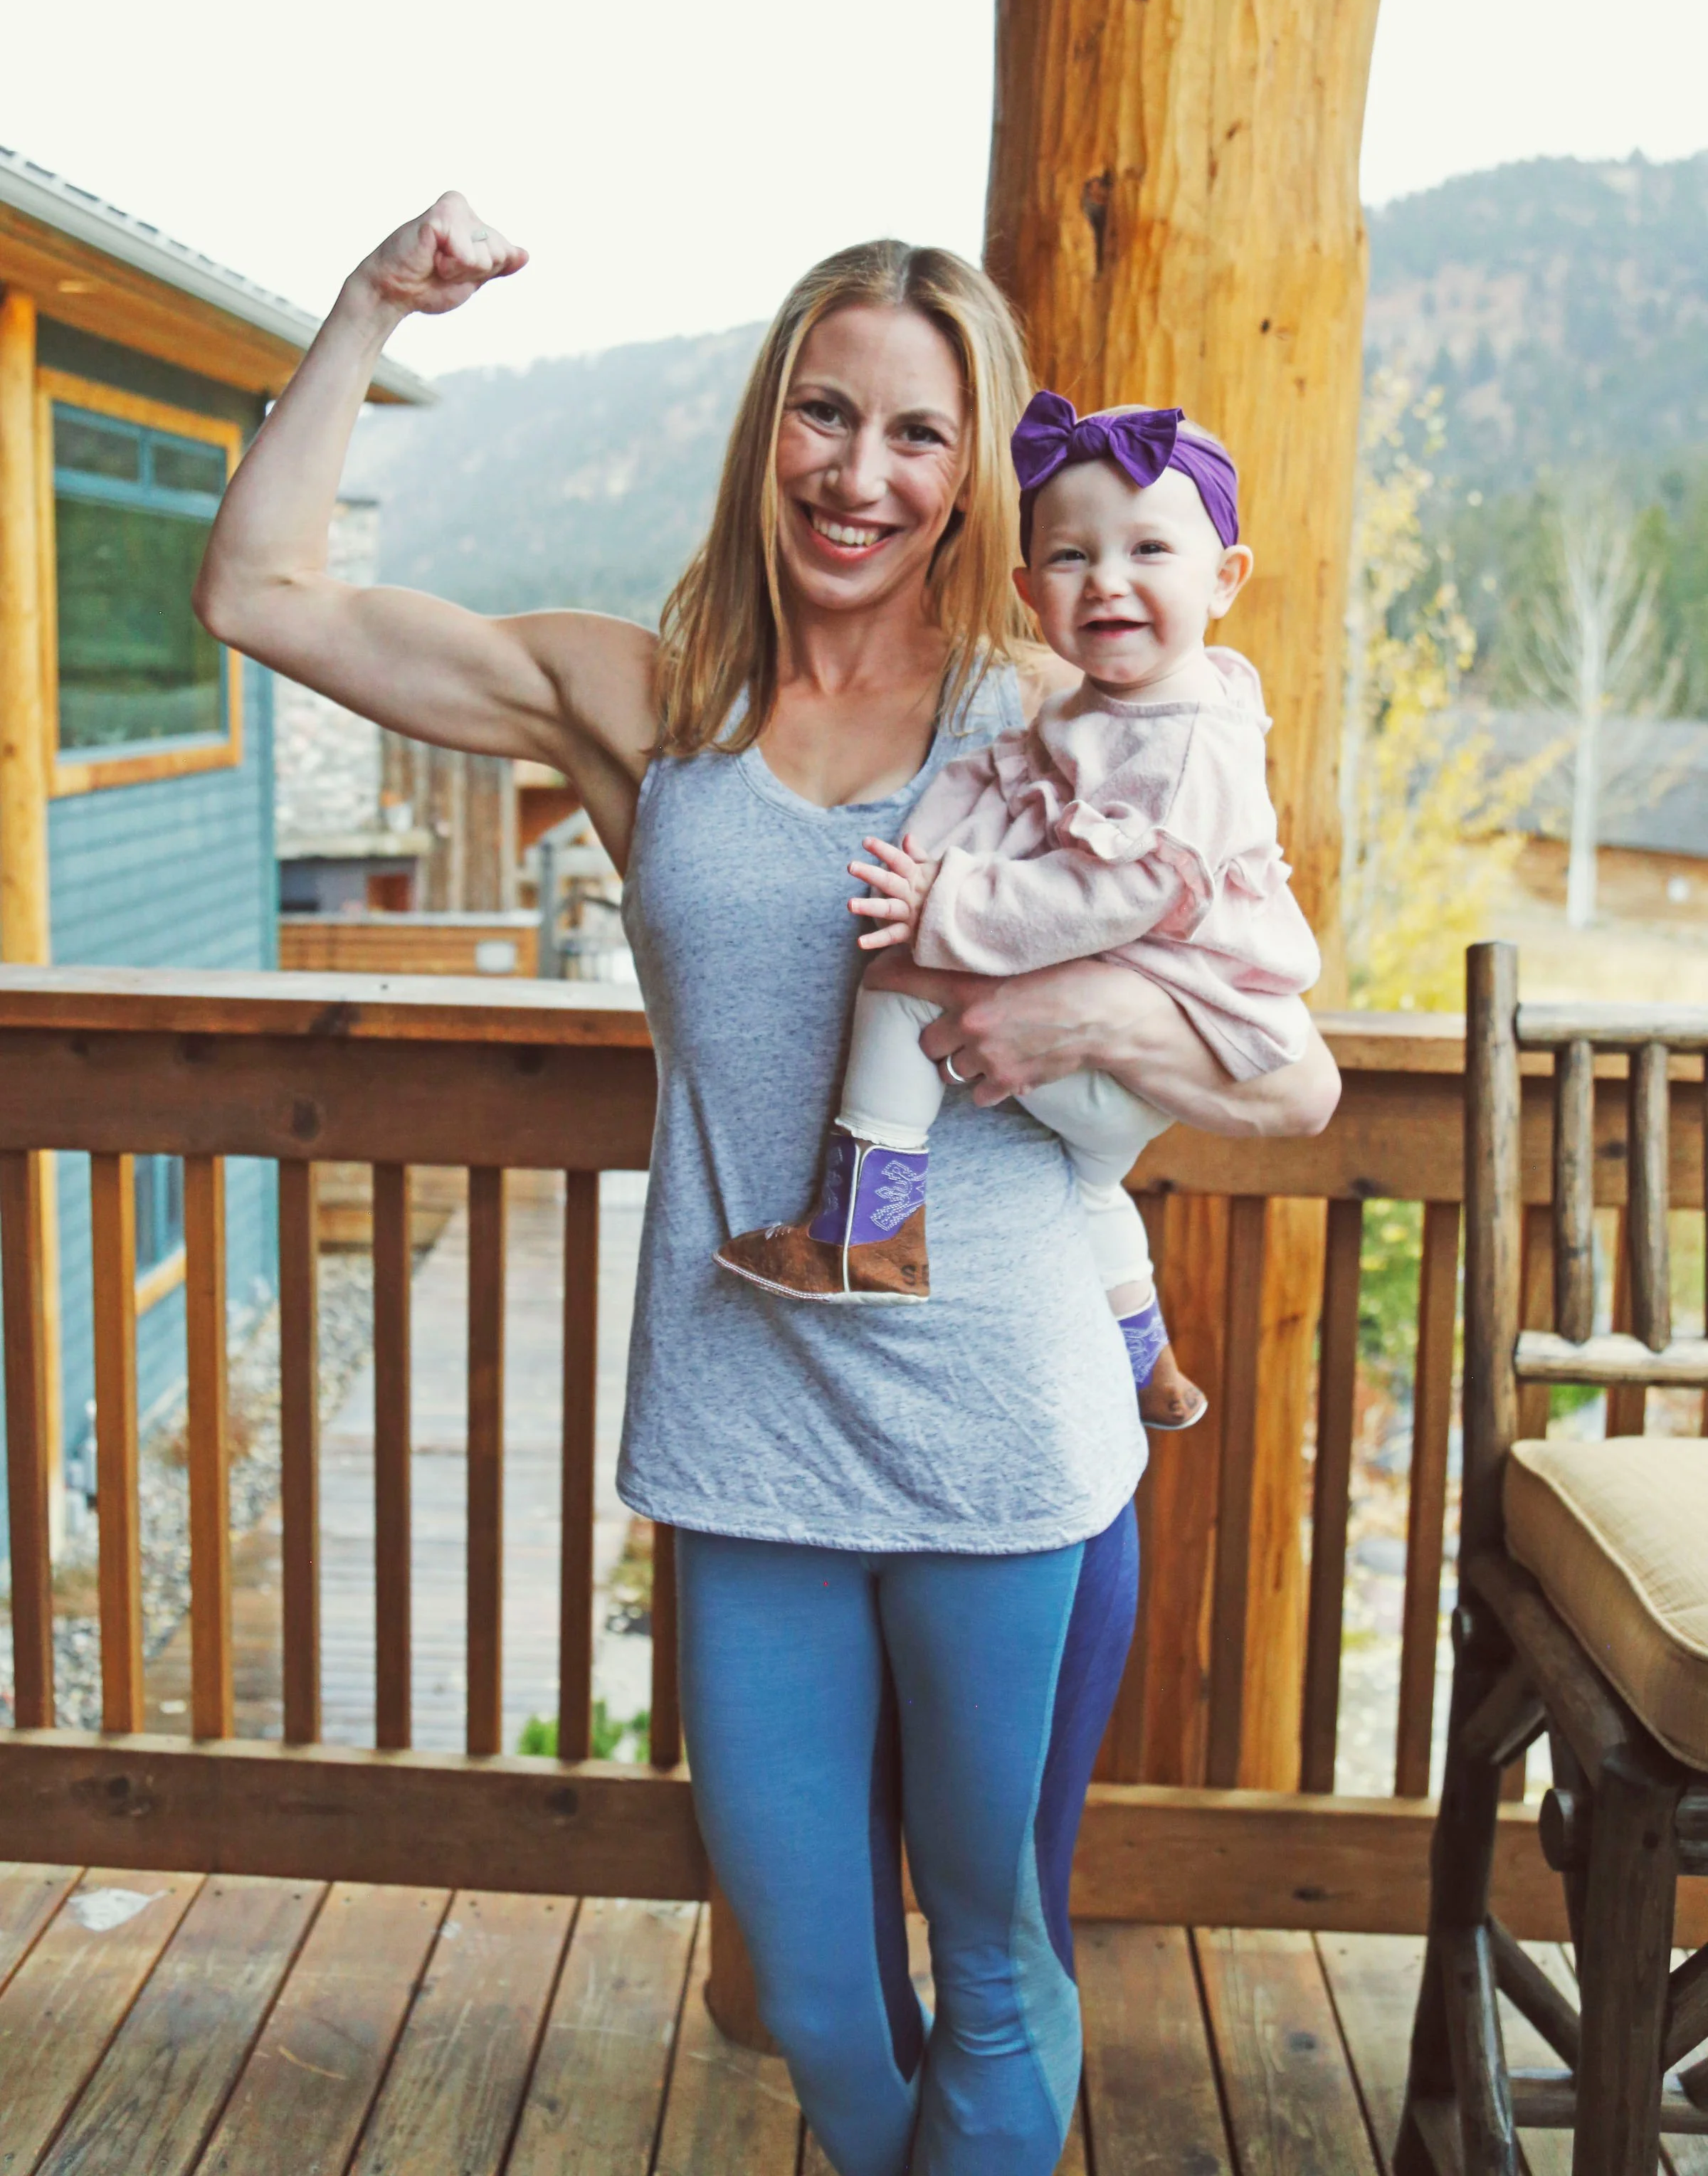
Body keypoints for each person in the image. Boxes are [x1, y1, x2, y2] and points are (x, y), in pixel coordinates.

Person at [194, 194, 1340, 2176]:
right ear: (767, 431)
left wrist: (1071, 1017)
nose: (863, 472)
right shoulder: (652, 707)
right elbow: (264, 591)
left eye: (920, 435)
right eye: (828, 414)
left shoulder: (1058, 715)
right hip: (743, 1441)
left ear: (979, 472)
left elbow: (1295, 1069)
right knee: (813, 1993)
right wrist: (376, 304)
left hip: (1010, 1440)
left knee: (991, 1966)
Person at [717, 392, 1320, 1438]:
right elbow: (1021, 797)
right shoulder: (1122, 706)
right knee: (1089, 1194)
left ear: (1226, 580)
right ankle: (1151, 1367)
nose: (1110, 582)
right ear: (1028, 588)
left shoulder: (1183, 744)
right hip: (1145, 1056)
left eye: (1149, 551)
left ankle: (866, 1231)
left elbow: (1118, 891)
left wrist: (944, 900)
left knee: (902, 984)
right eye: (1074, 558)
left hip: (1165, 1031)